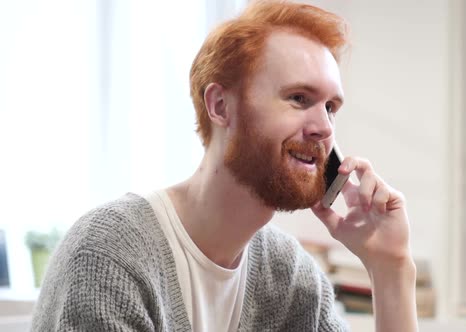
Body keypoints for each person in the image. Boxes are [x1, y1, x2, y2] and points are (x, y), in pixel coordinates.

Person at [32, 1, 418, 331]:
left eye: (331, 108)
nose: (323, 129)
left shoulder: (291, 279)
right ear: (220, 106)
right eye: (299, 98)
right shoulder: (111, 255)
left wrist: (391, 268)